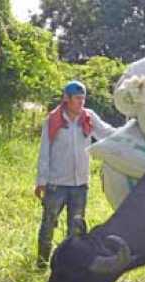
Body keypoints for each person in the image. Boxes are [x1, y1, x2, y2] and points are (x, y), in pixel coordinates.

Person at [35, 80, 116, 268]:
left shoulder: (88, 117)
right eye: (77, 99)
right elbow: (44, 152)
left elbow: (107, 133)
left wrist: (129, 132)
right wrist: (42, 181)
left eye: (83, 99)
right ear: (66, 99)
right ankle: (41, 263)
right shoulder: (54, 120)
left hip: (80, 184)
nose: (81, 103)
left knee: (76, 229)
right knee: (48, 224)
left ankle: (68, 265)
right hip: (56, 184)